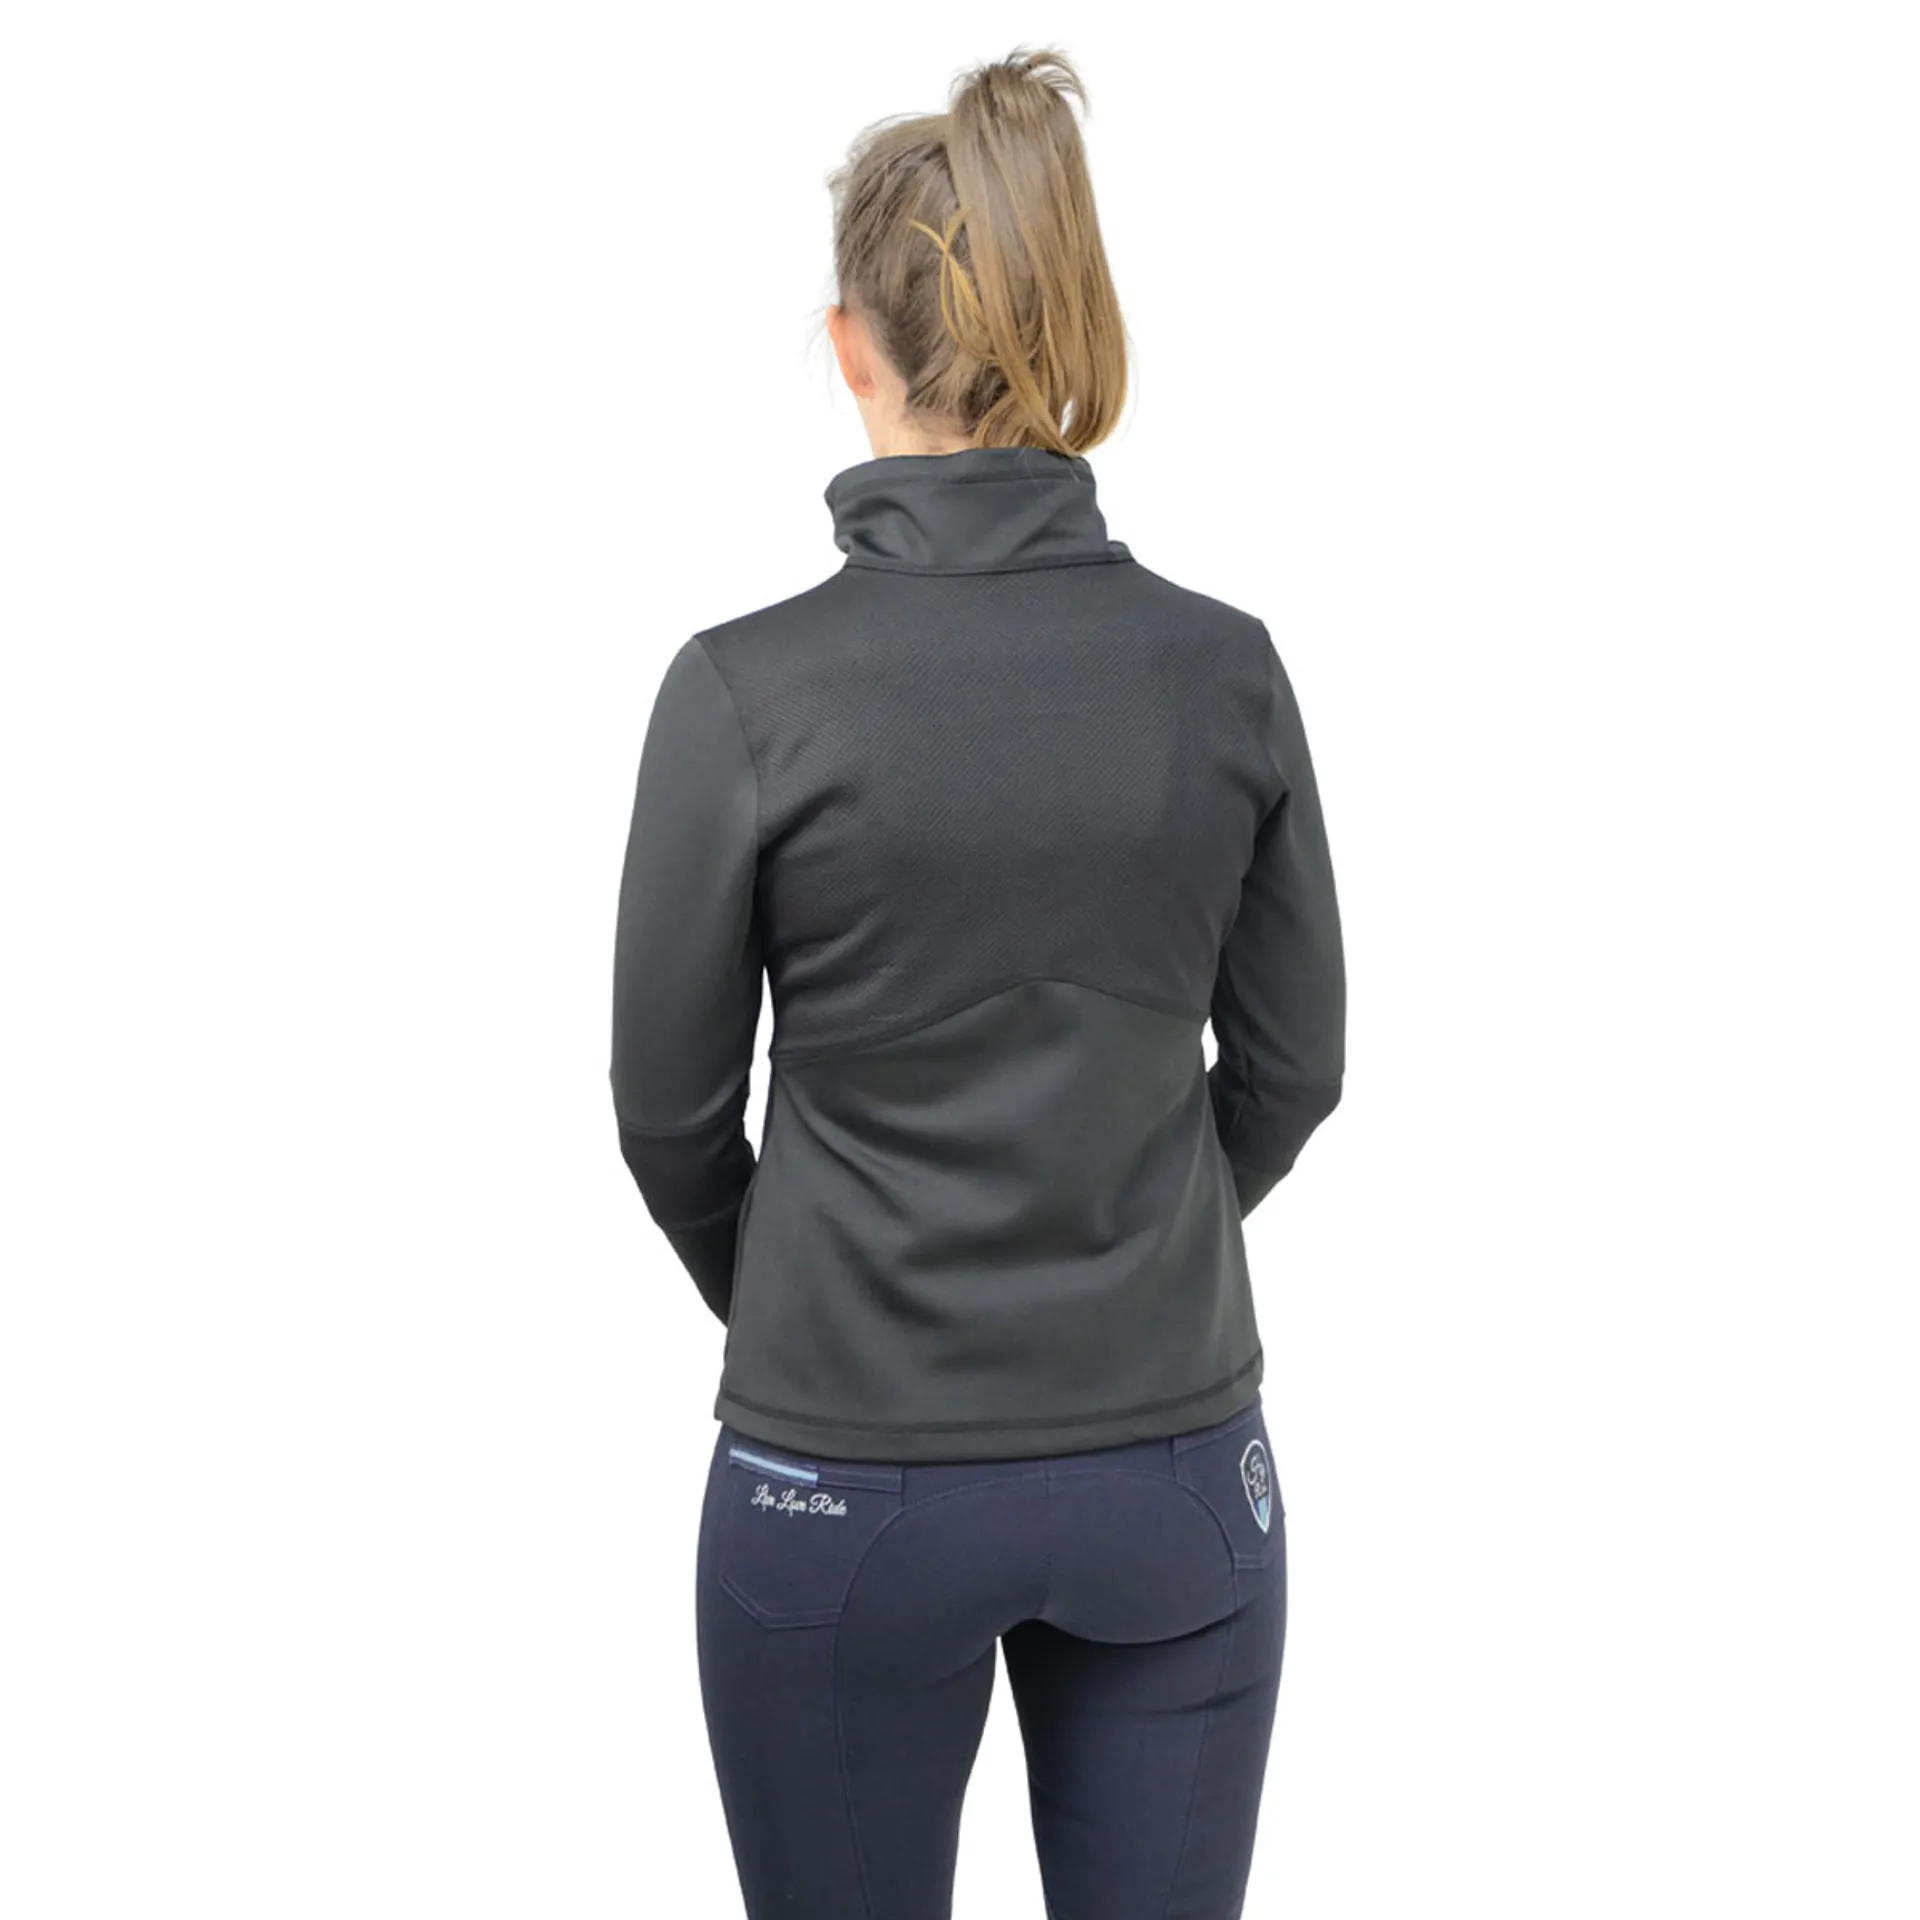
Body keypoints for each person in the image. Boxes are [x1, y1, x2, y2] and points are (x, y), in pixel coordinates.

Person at [609, 44, 1346, 1919]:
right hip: (1176, 1478)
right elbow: (1294, 1071)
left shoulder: (743, 695)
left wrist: (814, 1291)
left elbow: (669, 1118)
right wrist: (1127, 1244)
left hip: (840, 1490)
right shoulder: (1227, 674)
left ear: (852, 349)